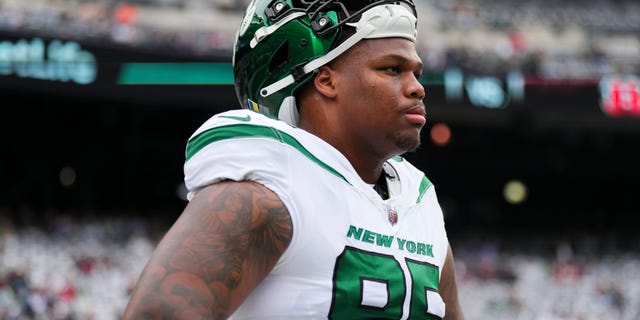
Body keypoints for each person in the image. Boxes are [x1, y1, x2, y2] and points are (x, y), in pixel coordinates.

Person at [124, 0, 464, 319]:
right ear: (327, 81)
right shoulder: (271, 186)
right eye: (392, 69)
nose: (417, 88)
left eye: (416, 73)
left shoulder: (419, 202)